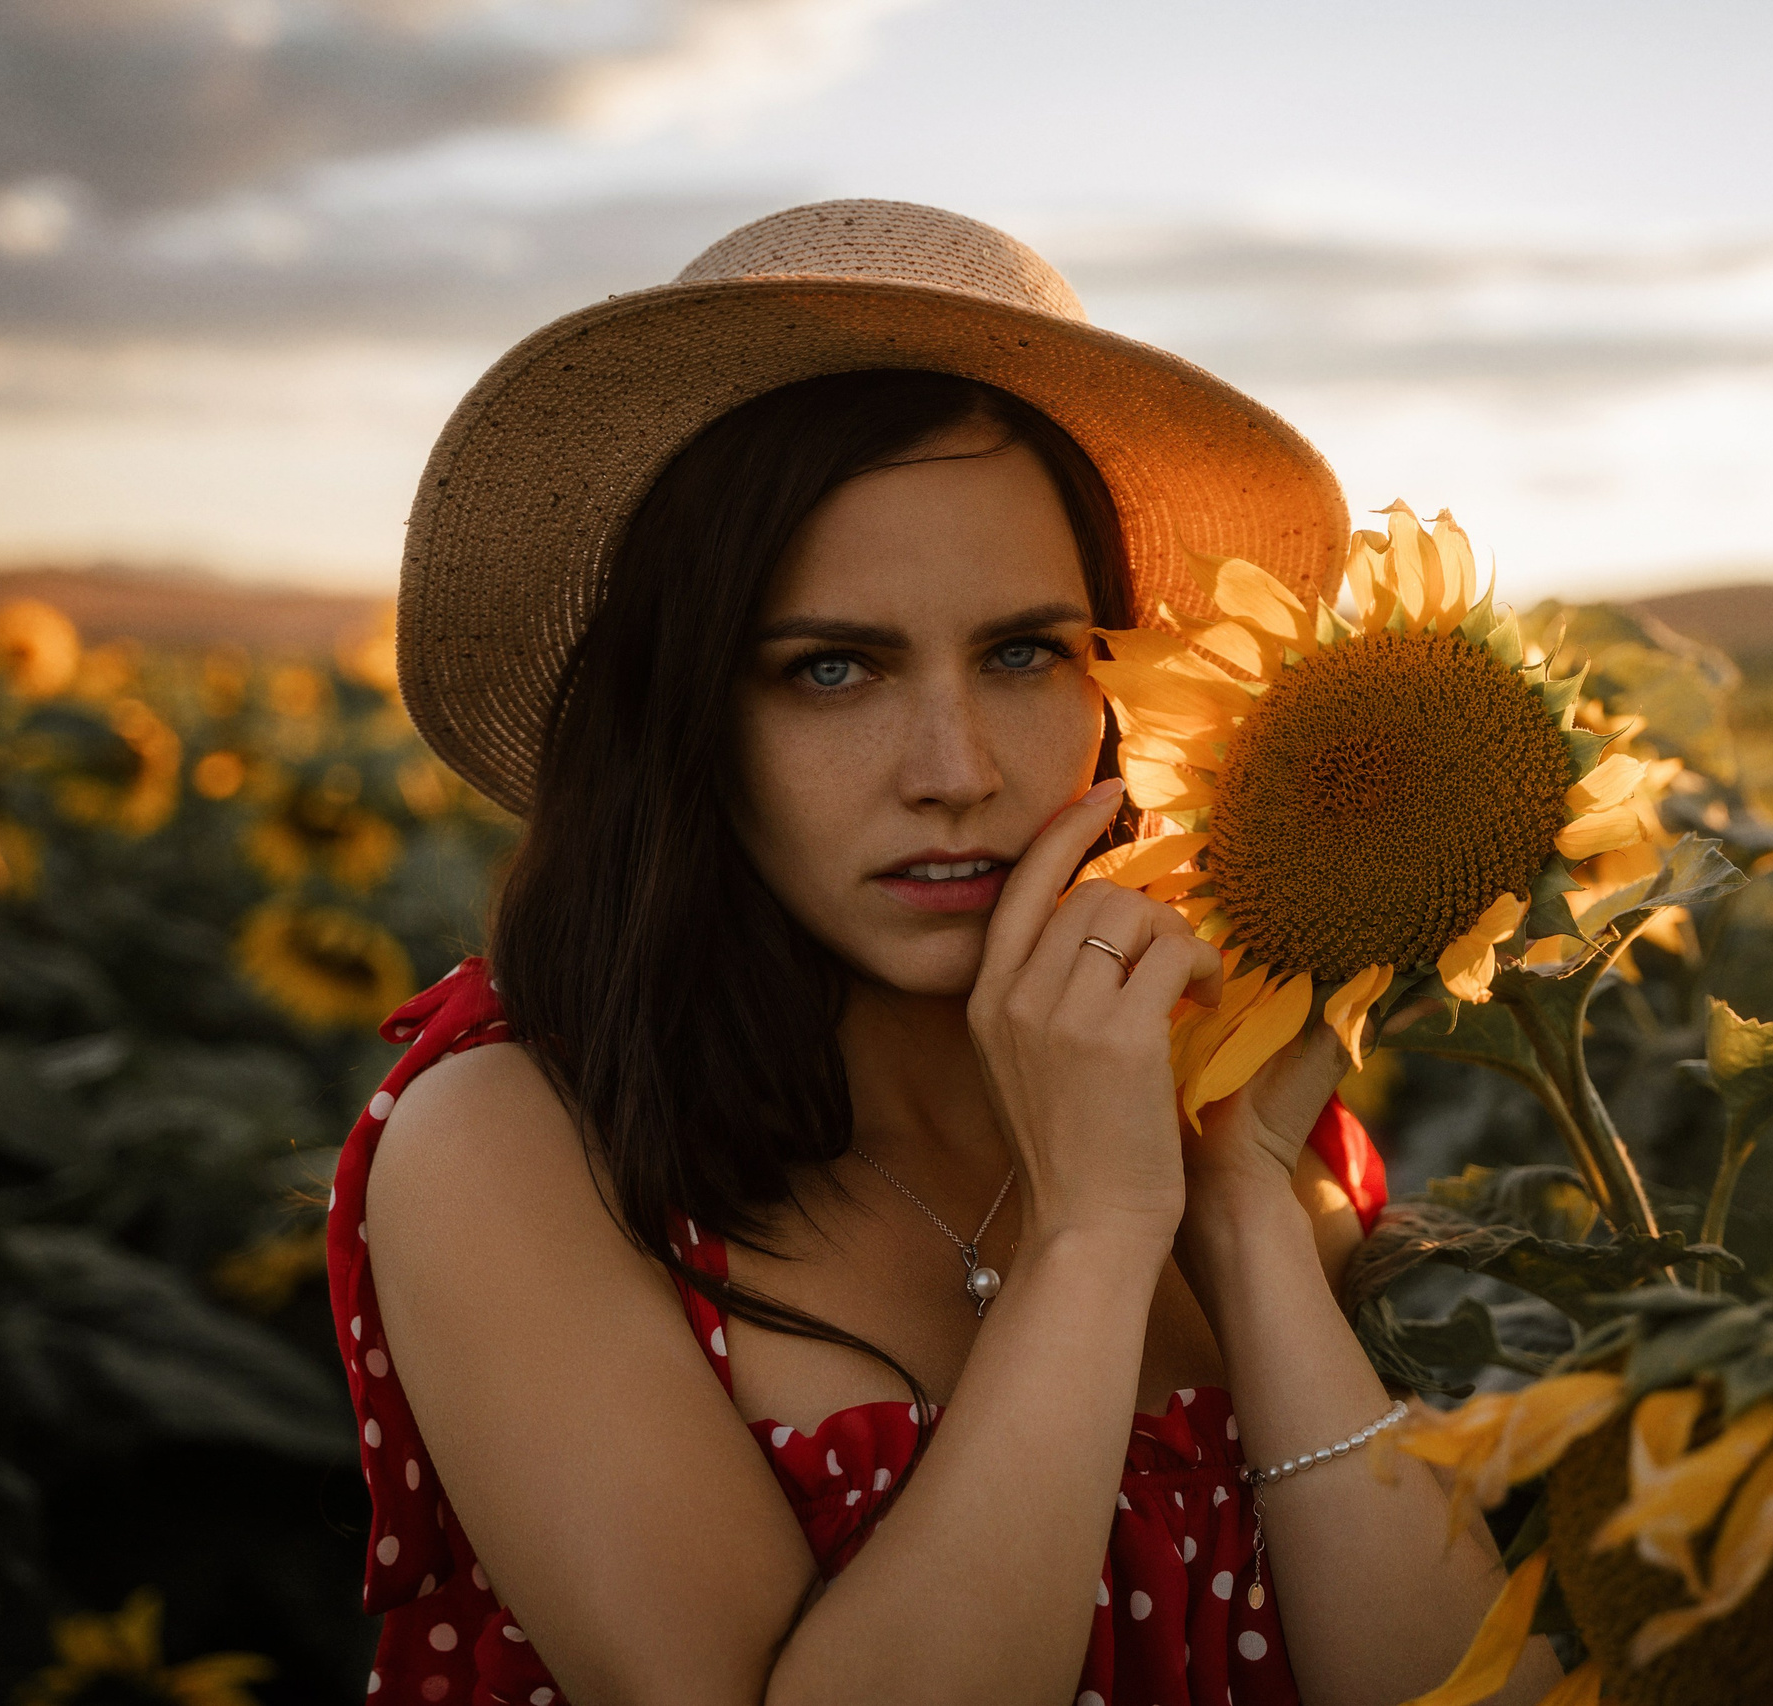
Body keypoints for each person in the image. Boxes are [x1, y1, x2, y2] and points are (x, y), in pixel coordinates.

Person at [326, 200, 1546, 1706]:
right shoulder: (514, 1145)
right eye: (830, 666)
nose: (953, 766)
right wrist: (1097, 1237)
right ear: (686, 712)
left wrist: (1233, 1205)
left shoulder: (1237, 1124)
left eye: (1027, 651)